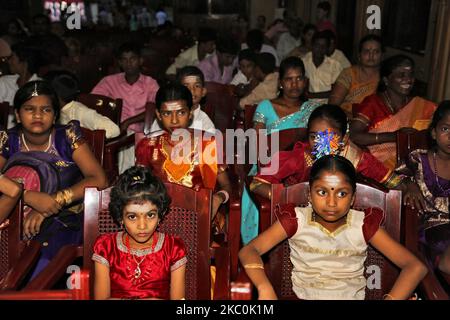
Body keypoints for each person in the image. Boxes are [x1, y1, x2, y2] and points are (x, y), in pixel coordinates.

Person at [240, 154, 427, 300]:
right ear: (309, 195)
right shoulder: (296, 220)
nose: (331, 202)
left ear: (353, 198)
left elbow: (415, 267)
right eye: (322, 192)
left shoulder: (362, 224)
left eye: (342, 194)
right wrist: (265, 288)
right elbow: (249, 250)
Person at [0, 80, 108, 278]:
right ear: (17, 114)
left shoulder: (66, 136)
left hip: (65, 216)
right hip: (14, 215)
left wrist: (54, 202)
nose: (38, 115)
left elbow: (99, 179)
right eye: (29, 109)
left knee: (43, 262)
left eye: (46, 110)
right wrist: (29, 197)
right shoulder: (8, 140)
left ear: (55, 114)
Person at [250, 104, 412, 200]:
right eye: (314, 136)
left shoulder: (356, 158)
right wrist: (291, 198)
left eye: (329, 137)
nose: (321, 143)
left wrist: (410, 186)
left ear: (345, 138)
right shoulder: (299, 157)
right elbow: (257, 184)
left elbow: (392, 181)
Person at [240, 56, 320, 244]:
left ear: (305, 81)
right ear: (281, 83)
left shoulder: (313, 109)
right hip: (267, 164)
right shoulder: (266, 107)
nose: (295, 84)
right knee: (257, 182)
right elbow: (258, 145)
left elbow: (320, 143)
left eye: (299, 78)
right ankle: (259, 246)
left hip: (304, 166)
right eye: (289, 79)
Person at [135, 84, 231, 222]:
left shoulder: (207, 143)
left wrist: (218, 198)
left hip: (200, 217)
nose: (174, 120)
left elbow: (227, 186)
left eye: (181, 112)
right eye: (167, 113)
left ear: (190, 112)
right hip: (158, 218)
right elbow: (138, 185)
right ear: (158, 115)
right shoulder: (149, 146)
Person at [92, 166, 186, 300]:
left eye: (150, 215)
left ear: (160, 215)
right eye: (132, 216)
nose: (142, 226)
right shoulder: (106, 247)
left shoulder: (173, 248)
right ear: (120, 217)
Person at [350, 54, 437, 171]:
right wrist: (395, 136)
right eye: (401, 75)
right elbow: (354, 135)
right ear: (386, 80)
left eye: (410, 75)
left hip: (415, 167)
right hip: (377, 169)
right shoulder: (373, 103)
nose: (408, 79)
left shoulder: (421, 106)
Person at [92, 41, 159, 173]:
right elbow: (92, 102)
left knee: (129, 141)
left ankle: (124, 178)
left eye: (133, 59)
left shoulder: (150, 83)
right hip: (115, 131)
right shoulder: (110, 81)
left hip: (142, 131)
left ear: (140, 61)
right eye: (124, 60)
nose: (129, 63)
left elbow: (156, 110)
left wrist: (129, 121)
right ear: (120, 63)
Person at [401, 101, 450, 276]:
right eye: (445, 129)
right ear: (434, 133)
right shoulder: (418, 160)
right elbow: (392, 179)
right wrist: (409, 184)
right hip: (431, 232)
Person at [44, 70, 121, 139]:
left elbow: (113, 129)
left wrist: (85, 138)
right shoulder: (57, 111)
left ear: (57, 97)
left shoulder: (80, 112)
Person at [149, 66, 215, 136]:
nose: (191, 91)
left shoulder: (205, 122)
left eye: (197, 86)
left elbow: (211, 144)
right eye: (186, 86)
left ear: (203, 91)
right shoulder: (161, 120)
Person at [329, 34, 383, 118]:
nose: (371, 55)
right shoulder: (348, 73)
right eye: (366, 51)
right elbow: (333, 105)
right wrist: (355, 119)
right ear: (359, 55)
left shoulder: (386, 77)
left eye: (376, 52)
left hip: (375, 123)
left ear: (382, 55)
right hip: (346, 118)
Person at [0, 42, 42, 128]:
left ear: (24, 62)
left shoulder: (40, 86)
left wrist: (8, 109)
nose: (9, 62)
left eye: (12, 58)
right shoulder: (4, 82)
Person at [302, 31, 343, 104]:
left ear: (327, 48)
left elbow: (336, 92)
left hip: (327, 105)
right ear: (312, 45)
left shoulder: (335, 65)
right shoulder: (303, 62)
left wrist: (311, 95)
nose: (320, 49)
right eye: (317, 45)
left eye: (323, 46)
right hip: (307, 105)